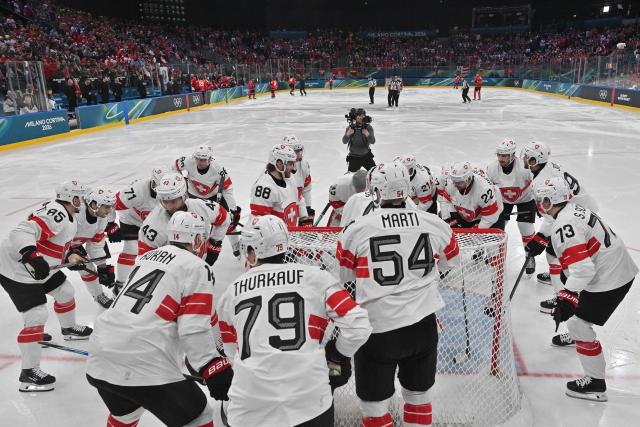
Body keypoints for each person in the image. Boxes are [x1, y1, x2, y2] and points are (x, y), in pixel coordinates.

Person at [217, 215, 371, 426]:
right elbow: (359, 325)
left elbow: (231, 353)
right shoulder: (317, 278)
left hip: (250, 407)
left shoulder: (231, 292)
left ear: (252, 251)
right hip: (309, 401)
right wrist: (337, 354)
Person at [337, 162, 460, 427]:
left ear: (377, 191)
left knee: (374, 407)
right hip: (423, 327)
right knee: (419, 398)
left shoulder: (357, 230)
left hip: (378, 331)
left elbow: (345, 278)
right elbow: (451, 262)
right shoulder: (434, 223)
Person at [86, 211, 231, 427]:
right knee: (198, 416)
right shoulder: (196, 266)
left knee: (126, 414)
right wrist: (211, 366)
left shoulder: (145, 258)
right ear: (198, 239)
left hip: (100, 354)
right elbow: (192, 327)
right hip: (143, 359)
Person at [533, 177, 637, 401]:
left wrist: (566, 297)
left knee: (578, 323)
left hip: (611, 279)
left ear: (553, 201)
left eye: (543, 200)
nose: (539, 204)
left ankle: (596, 384)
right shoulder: (571, 208)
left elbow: (582, 270)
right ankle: (576, 335)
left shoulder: (565, 225)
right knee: (566, 279)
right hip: (614, 267)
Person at [0, 181, 94, 392]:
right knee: (36, 315)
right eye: (80, 196)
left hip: (38, 267)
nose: (83, 200)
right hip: (16, 270)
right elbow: (20, 232)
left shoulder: (66, 214)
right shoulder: (56, 212)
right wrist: (31, 255)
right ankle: (29, 373)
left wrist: (70, 255)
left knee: (65, 291)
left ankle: (68, 329)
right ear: (73, 199)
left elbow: (55, 242)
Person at [521, 141, 599, 313]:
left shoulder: (541, 181)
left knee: (553, 255)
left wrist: (539, 239)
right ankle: (559, 277)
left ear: (536, 160)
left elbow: (550, 218)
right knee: (556, 255)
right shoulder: (547, 166)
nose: (525, 159)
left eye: (528, 157)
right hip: (582, 210)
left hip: (576, 217)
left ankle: (563, 297)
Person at [138, 172, 230, 267]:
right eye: (165, 201)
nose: (169, 207)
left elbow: (224, 218)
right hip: (172, 274)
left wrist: (214, 245)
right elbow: (143, 262)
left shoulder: (201, 207)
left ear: (184, 196)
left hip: (200, 265)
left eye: (173, 201)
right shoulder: (153, 225)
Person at [172, 144, 241, 257]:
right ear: (195, 158)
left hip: (213, 197)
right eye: (199, 159)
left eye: (204, 160)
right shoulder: (189, 161)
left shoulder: (218, 169)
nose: (201, 162)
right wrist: (179, 181)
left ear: (210, 159)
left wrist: (233, 209)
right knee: (189, 223)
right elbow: (174, 166)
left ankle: (235, 246)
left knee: (228, 222)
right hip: (192, 197)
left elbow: (227, 188)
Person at [485, 139, 536, 274]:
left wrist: (540, 202)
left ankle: (529, 256)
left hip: (526, 199)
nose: (501, 158)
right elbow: (489, 190)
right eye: (499, 155)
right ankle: (489, 250)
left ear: (513, 155)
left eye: (505, 155)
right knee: (496, 227)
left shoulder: (525, 168)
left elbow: (536, 184)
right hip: (503, 201)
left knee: (526, 228)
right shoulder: (491, 169)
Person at [112, 167, 167, 286]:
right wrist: (110, 224)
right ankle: (120, 284)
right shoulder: (137, 191)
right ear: (153, 182)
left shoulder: (173, 189)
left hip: (152, 222)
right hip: (131, 219)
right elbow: (111, 203)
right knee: (131, 248)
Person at [70, 187, 117, 308]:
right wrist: (70, 252)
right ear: (94, 204)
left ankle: (98, 295)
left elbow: (96, 245)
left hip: (72, 245)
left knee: (86, 267)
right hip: (52, 247)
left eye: (110, 206)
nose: (109, 210)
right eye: (106, 206)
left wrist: (103, 268)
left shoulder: (102, 219)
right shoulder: (75, 215)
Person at [250, 144, 310, 227]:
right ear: (279, 164)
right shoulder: (264, 187)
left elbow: (298, 198)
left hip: (290, 235)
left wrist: (304, 218)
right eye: (290, 164)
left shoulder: (290, 178)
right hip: (274, 238)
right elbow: (259, 222)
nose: (293, 168)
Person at [440, 161, 504, 230]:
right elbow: (446, 201)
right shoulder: (451, 182)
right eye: (454, 181)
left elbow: (490, 217)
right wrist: (448, 218)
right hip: (469, 213)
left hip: (493, 215)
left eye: (459, 183)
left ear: (469, 179)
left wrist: (477, 229)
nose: (455, 185)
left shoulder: (483, 189)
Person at [283, 135, 313, 220]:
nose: (299, 153)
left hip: (298, 203)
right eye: (296, 151)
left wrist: (307, 207)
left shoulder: (304, 164)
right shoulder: (280, 168)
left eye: (300, 150)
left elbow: (306, 188)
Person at [343, 108, 376, 173]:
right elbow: (344, 141)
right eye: (359, 115)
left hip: (367, 156)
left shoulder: (368, 127)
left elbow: (373, 141)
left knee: (375, 174)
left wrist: (367, 134)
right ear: (355, 117)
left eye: (363, 115)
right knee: (349, 177)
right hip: (354, 157)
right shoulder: (351, 127)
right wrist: (347, 134)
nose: (361, 117)